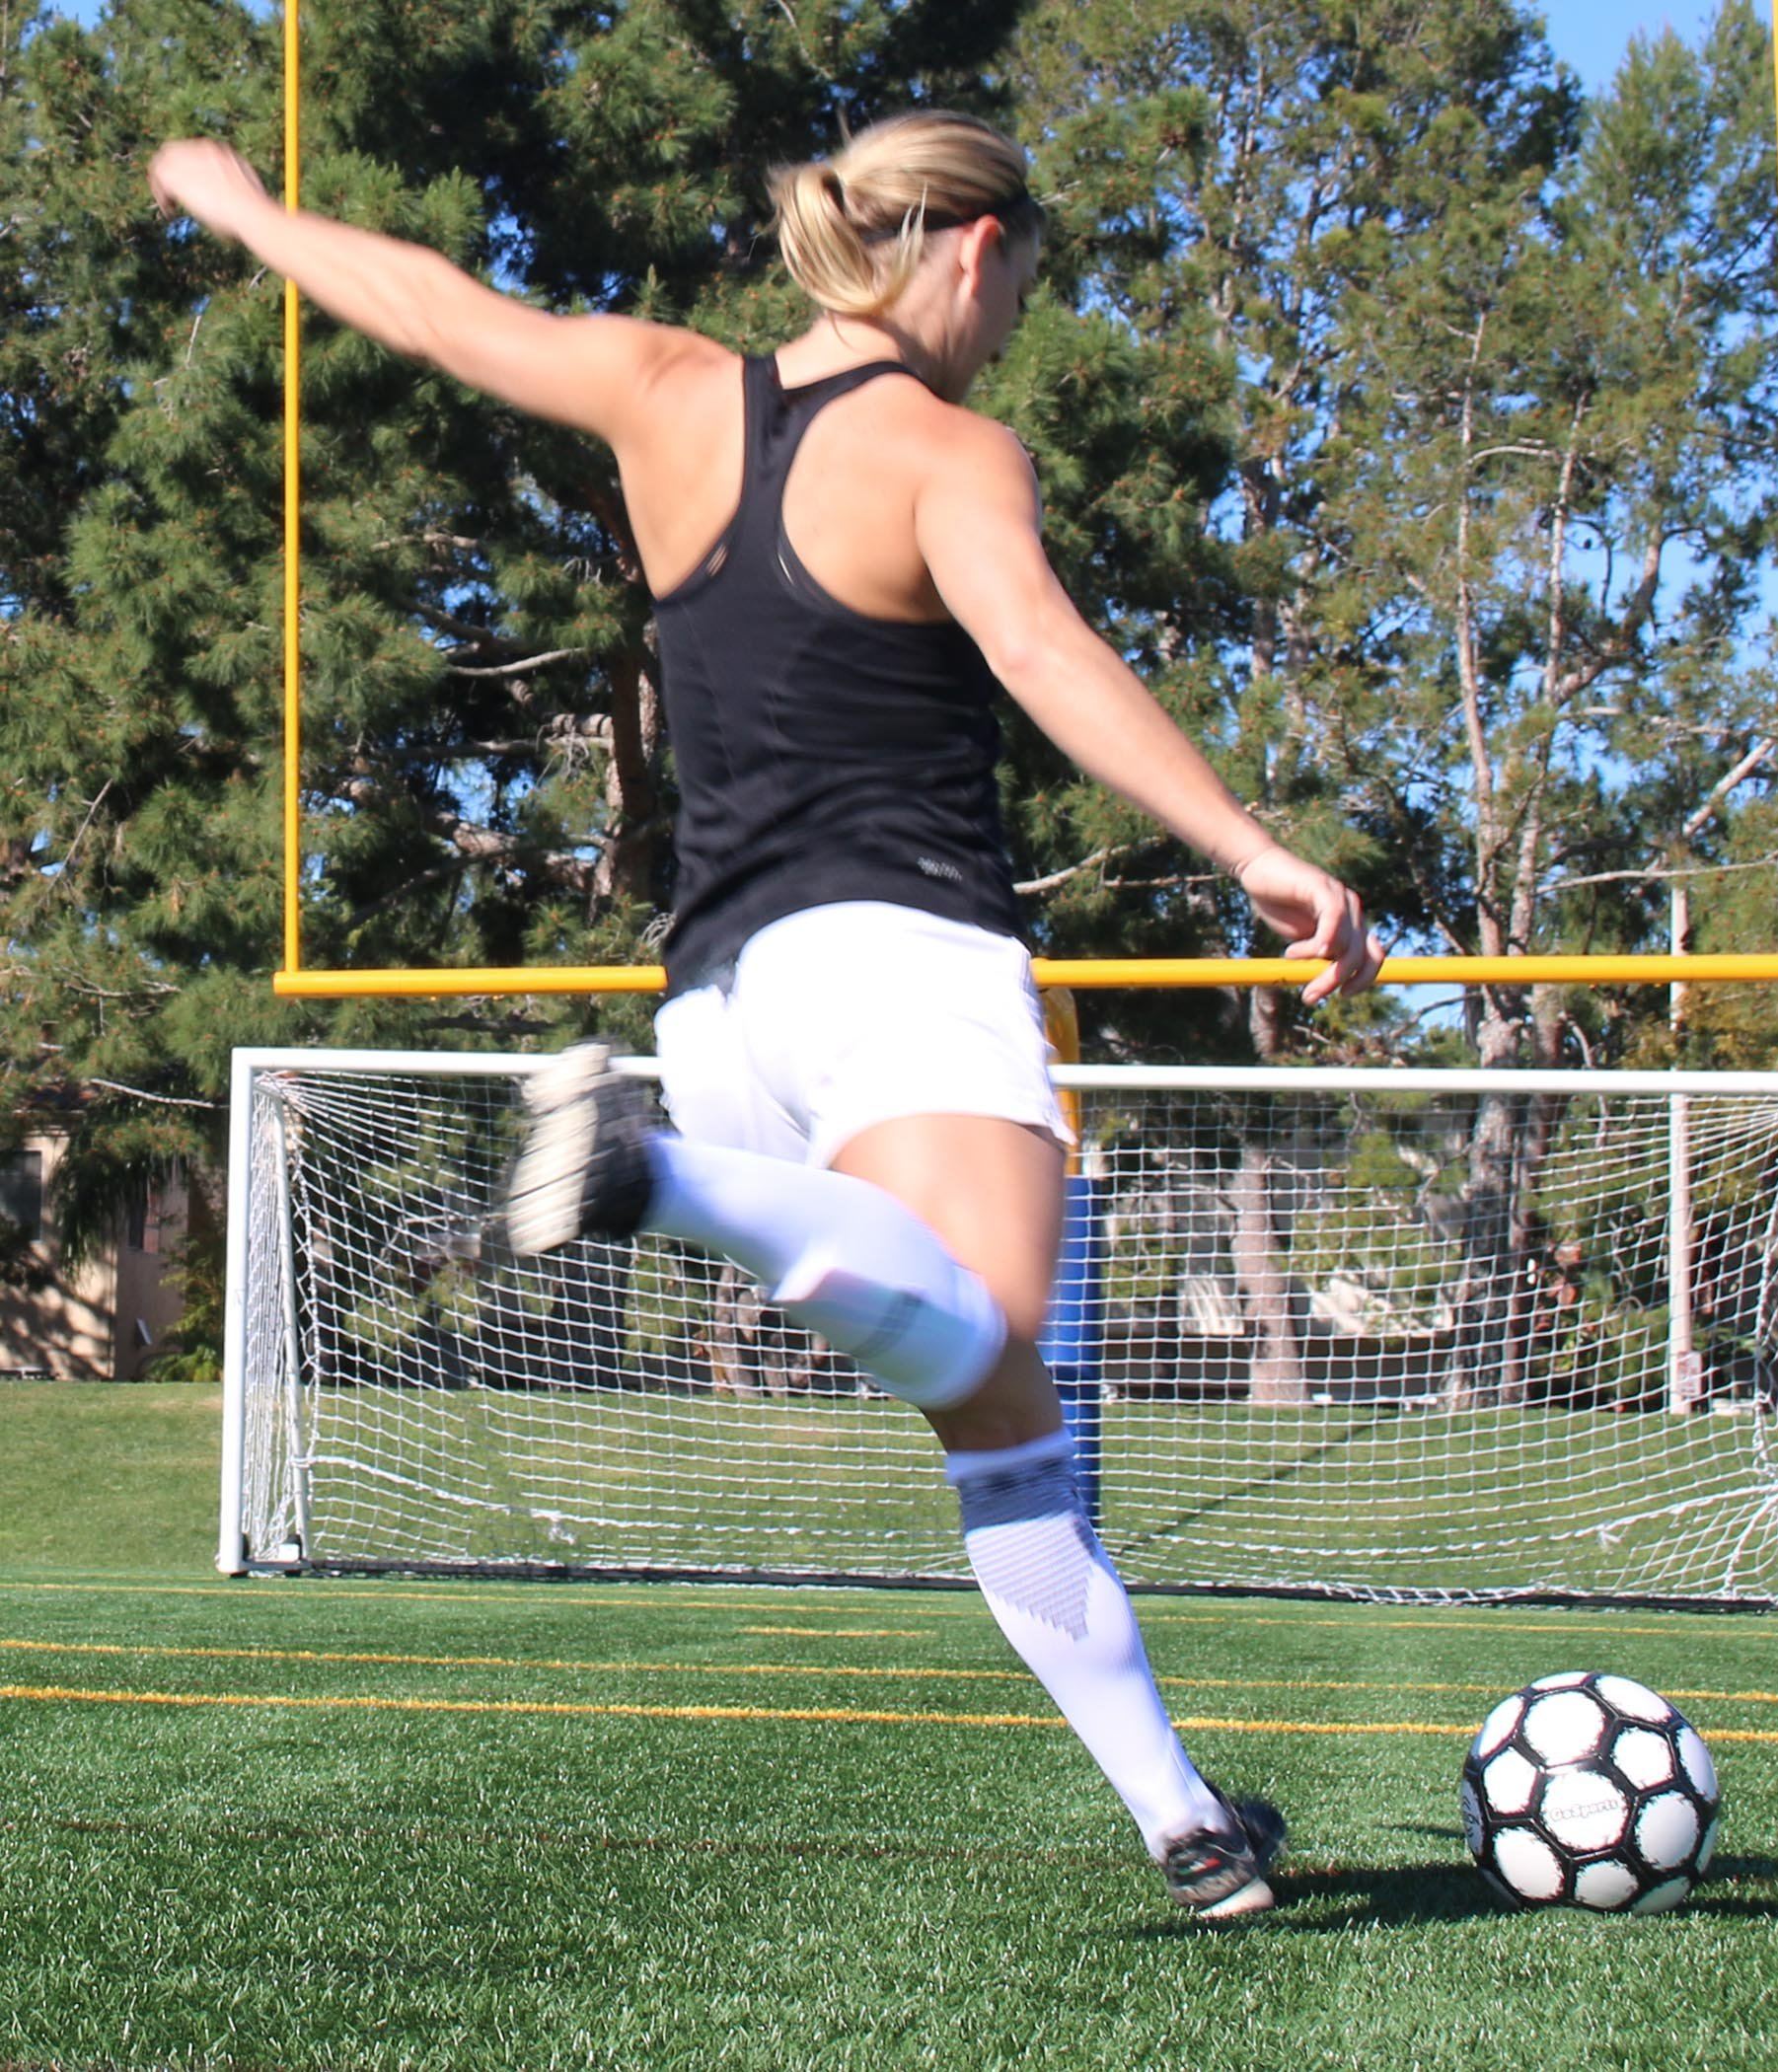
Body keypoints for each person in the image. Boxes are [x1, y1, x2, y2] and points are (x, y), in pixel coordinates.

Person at [150, 110, 1380, 1919]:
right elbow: (1041, 652)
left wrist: (246, 210)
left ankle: (1188, 1822)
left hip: (724, 1000)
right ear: (970, 250)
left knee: (1000, 1422)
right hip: (900, 968)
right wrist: (1251, 849)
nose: (1011, 321)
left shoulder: (662, 387)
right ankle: (652, 1179)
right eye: (1020, 285)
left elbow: (422, 306)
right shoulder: (951, 448)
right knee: (1007, 1378)